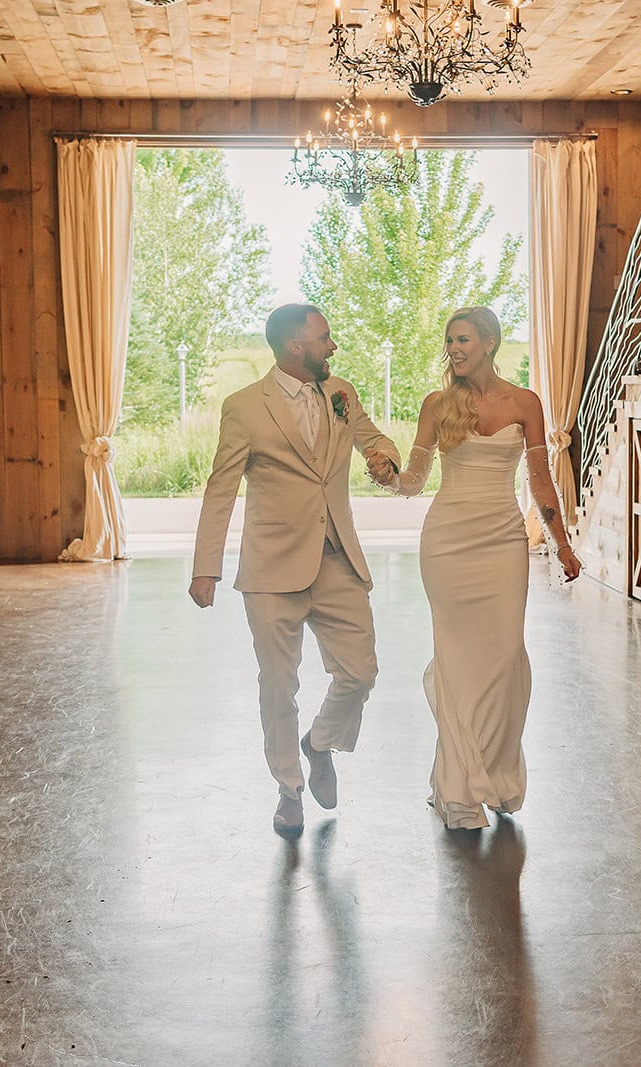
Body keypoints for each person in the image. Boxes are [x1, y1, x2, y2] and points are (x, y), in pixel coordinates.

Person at [190, 304, 401, 838]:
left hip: (337, 559)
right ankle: (289, 790)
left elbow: (374, 437)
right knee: (278, 687)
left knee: (360, 673)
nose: (332, 346)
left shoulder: (340, 393)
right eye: (324, 338)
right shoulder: (244, 407)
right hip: (271, 569)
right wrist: (206, 567)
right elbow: (221, 488)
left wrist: (384, 459)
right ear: (294, 347)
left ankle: (320, 743)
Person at [381, 306, 582, 830]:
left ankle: (492, 775)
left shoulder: (525, 403)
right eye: (449, 340)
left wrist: (562, 544)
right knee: (456, 661)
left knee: (501, 660)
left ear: (490, 342)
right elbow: (416, 477)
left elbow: (540, 480)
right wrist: (390, 478)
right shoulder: (437, 405)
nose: (454, 348)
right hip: (447, 541)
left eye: (463, 339)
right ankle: (458, 791)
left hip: (502, 541)